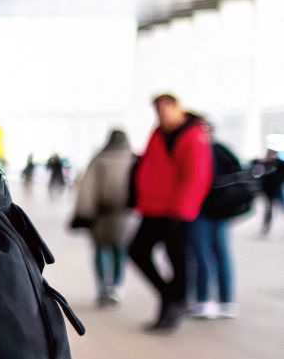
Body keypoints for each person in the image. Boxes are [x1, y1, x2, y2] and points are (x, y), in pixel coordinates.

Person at [128, 94, 212, 331]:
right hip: (153, 207)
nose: (161, 114)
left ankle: (174, 305)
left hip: (176, 210)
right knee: (137, 250)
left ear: (177, 108)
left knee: (178, 260)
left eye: (165, 109)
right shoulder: (158, 132)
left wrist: (183, 209)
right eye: (157, 110)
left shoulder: (194, 134)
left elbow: (197, 175)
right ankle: (170, 296)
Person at [72, 130, 134, 306]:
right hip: (124, 213)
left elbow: (88, 189)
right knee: (119, 250)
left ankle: (103, 287)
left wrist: (84, 212)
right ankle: (117, 286)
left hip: (101, 213)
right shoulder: (132, 158)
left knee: (101, 249)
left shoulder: (99, 159)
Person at [189, 132, 248, 318]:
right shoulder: (222, 149)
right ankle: (226, 301)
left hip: (202, 209)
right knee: (221, 254)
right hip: (222, 209)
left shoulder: (197, 151)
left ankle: (204, 299)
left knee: (202, 254)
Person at [257, 149, 283, 236]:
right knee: (268, 209)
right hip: (268, 190)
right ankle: (266, 227)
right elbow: (260, 177)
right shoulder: (264, 164)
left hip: (277, 189)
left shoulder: (280, 164)